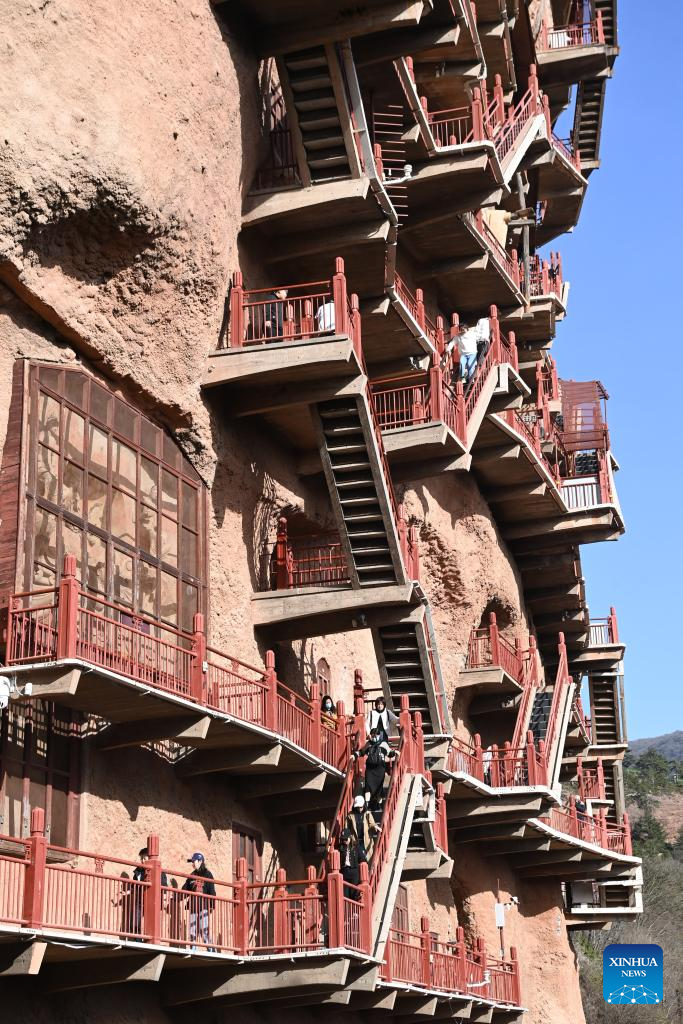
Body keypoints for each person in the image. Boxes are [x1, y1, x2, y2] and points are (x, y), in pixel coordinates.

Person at [354, 728, 397, 812]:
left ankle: (379, 805)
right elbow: (361, 752)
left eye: (376, 734)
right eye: (372, 734)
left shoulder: (383, 744)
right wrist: (354, 755)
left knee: (379, 788)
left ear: (379, 735)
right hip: (370, 769)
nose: (374, 736)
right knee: (368, 787)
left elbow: (390, 753)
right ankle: (366, 804)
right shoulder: (368, 744)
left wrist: (395, 752)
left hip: (380, 770)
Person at [182, 852, 216, 951]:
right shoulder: (192, 875)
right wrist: (175, 897)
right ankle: (193, 948)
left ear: (200, 861)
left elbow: (212, 891)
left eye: (194, 861)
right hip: (193, 905)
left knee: (203, 928)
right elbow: (185, 889)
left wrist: (212, 905)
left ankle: (210, 948)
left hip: (203, 905)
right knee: (192, 928)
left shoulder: (208, 874)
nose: (192, 863)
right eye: (192, 862)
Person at [345, 795, 381, 864]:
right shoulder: (350, 815)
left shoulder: (367, 814)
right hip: (355, 840)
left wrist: (375, 826)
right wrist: (348, 837)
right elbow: (347, 828)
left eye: (361, 807)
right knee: (358, 859)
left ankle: (370, 872)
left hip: (366, 840)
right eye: (358, 807)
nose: (359, 809)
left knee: (369, 858)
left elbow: (371, 823)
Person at [339, 826, 361, 899]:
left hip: (354, 871)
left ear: (350, 837)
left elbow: (362, 858)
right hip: (344, 871)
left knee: (354, 893)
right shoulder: (341, 847)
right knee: (344, 894)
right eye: (343, 839)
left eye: (346, 839)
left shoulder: (355, 846)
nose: (344, 841)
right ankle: (347, 910)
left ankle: (354, 910)